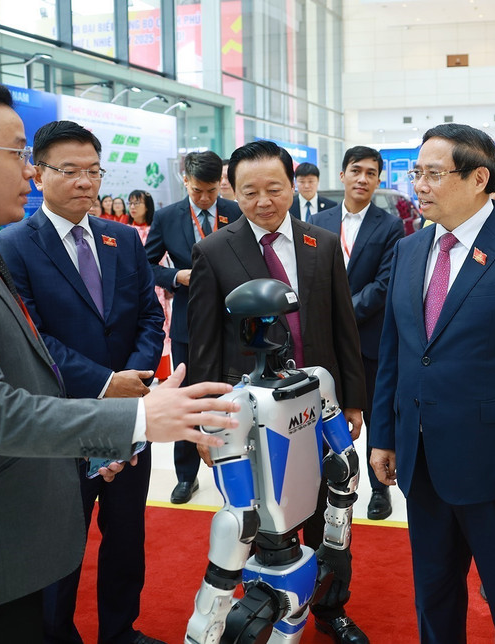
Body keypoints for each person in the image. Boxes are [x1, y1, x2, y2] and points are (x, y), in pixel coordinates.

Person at [0, 77, 237, 644]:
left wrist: (97, 444)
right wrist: (137, 418)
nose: (28, 172)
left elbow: (21, 375)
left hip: (5, 528)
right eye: (17, 155)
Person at [369, 124, 495, 643]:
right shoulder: (411, 249)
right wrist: (385, 435)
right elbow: (397, 349)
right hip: (422, 461)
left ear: (479, 178)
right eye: (416, 172)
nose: (420, 184)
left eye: (434, 173)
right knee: (434, 596)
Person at [0, 121, 167, 644]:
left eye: (94, 171)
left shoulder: (123, 240)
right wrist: (108, 383)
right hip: (58, 421)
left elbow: (148, 319)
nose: (86, 182)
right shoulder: (12, 246)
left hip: (129, 417)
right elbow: (31, 337)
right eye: (70, 171)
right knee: (57, 543)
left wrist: (132, 381)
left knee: (126, 536)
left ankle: (120, 631)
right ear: (38, 173)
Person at [188, 140, 369, 644]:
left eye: (274, 188)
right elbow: (203, 347)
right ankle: (263, 606)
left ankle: (331, 605)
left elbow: (342, 327)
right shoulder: (214, 251)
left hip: (316, 400)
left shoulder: (321, 243)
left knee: (333, 503)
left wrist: (351, 399)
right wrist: (206, 423)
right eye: (250, 192)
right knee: (265, 516)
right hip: (253, 413)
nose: (263, 201)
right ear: (233, 193)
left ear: (294, 185)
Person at [311, 145, 405, 521]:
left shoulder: (390, 225)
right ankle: (321, 484)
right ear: (343, 175)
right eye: (356, 170)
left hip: (369, 337)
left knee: (373, 412)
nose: (362, 178)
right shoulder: (319, 221)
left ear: (378, 179)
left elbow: (384, 284)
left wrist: (341, 313)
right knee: (318, 413)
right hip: (323, 340)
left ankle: (379, 489)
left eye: (370, 172)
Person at [144, 151, 242, 504]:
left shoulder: (234, 212)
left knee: (231, 394)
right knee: (186, 396)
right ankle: (186, 476)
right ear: (186, 181)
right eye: (198, 190)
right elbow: (147, 265)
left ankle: (233, 469)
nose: (205, 198)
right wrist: (175, 276)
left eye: (212, 191)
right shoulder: (168, 217)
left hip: (232, 321)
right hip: (188, 321)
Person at [129, 189, 172, 361]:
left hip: (156, 284)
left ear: (147, 206)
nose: (132, 207)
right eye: (130, 203)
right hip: (132, 285)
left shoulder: (155, 229)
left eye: (137, 203)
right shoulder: (124, 230)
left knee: (160, 325)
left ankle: (163, 371)